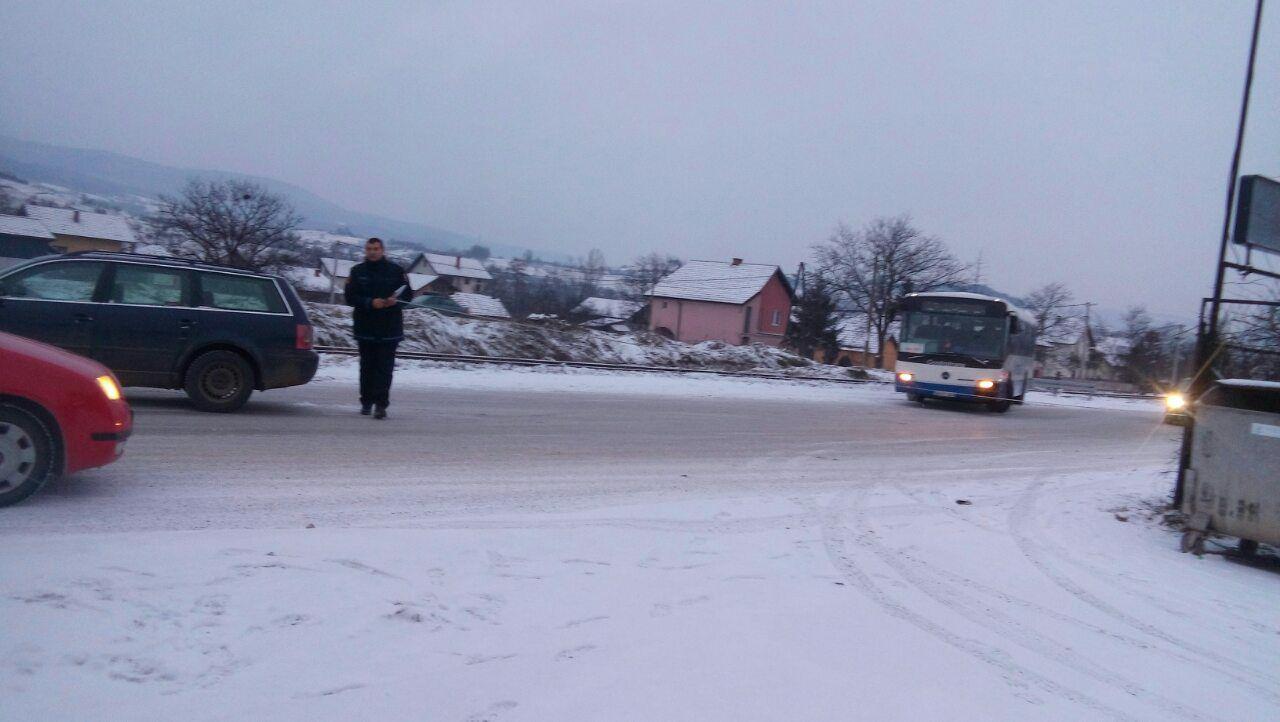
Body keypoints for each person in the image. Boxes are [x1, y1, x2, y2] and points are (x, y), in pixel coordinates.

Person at [343, 238, 412, 418]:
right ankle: (366, 402)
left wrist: (395, 301)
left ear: (383, 250)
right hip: (365, 328)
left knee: (384, 369)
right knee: (367, 368)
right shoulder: (357, 272)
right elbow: (350, 297)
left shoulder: (396, 271)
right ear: (365, 251)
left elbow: (408, 295)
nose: (372, 252)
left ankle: (381, 405)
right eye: (369, 249)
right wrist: (370, 302)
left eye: (376, 248)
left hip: (389, 329)